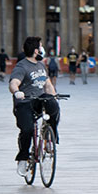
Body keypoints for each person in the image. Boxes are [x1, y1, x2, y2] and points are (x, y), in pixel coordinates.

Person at [8, 36, 59, 176]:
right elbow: (13, 83)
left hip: (38, 100)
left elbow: (47, 84)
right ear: (36, 50)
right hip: (25, 102)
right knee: (28, 129)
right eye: (41, 46)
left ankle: (49, 138)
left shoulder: (41, 65)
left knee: (53, 105)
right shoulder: (22, 66)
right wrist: (17, 92)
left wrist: (54, 97)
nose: (42, 49)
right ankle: (23, 158)